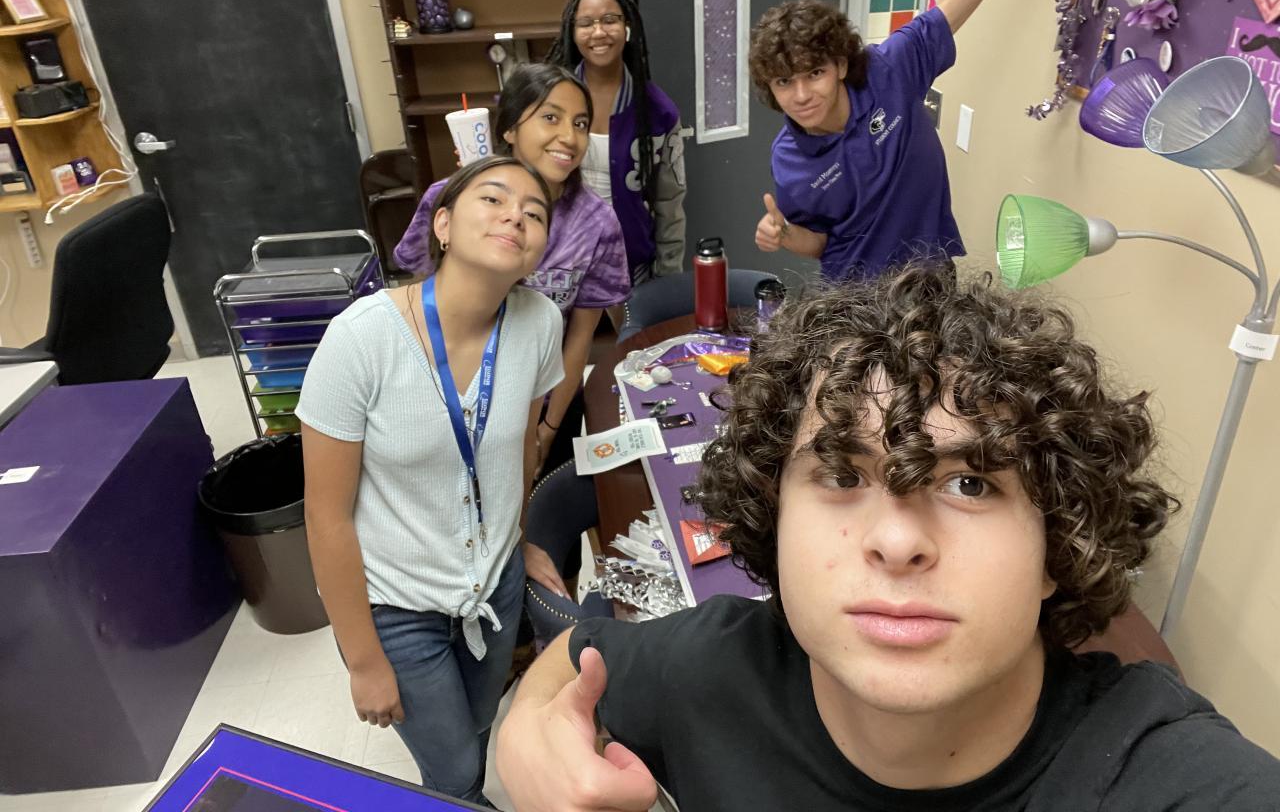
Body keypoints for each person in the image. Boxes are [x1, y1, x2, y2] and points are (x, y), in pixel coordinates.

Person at [495, 262, 1280, 810]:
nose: (898, 541)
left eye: (970, 483)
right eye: (842, 472)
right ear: (773, 512)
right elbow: (573, 657)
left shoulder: (1162, 775)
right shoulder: (714, 667)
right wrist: (525, 734)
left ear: (1056, 543)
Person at [298, 156, 566, 805]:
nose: (515, 217)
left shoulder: (540, 322)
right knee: (455, 771)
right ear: (442, 225)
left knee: (478, 727)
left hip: (494, 589)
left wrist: (517, 538)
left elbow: (518, 451)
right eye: (494, 199)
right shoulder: (360, 340)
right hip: (397, 605)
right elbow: (326, 517)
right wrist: (363, 660)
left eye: (534, 213)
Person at [753, 0, 1091, 281]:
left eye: (814, 73)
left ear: (839, 64)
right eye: (784, 81)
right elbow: (820, 242)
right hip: (852, 300)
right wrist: (786, 234)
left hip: (930, 280)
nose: (801, 95)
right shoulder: (788, 160)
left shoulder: (893, 69)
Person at [395, 63, 630, 479]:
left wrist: (547, 429)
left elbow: (579, 339)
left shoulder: (596, 222)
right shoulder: (452, 201)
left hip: (547, 398)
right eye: (551, 117)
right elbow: (415, 303)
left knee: (539, 506)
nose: (569, 136)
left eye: (580, 123)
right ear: (509, 129)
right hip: (451, 395)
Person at [546, 0, 687, 287]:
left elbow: (670, 203)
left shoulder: (657, 111)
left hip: (632, 267)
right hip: (560, 266)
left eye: (610, 20)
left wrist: (669, 277)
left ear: (627, 27)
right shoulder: (549, 101)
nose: (598, 32)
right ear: (572, 31)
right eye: (586, 23)